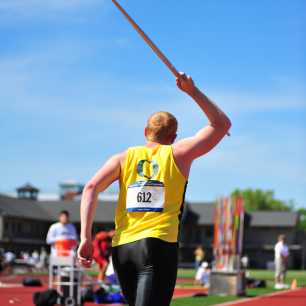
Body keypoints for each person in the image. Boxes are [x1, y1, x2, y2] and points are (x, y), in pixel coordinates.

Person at [77, 73, 231, 306]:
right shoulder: (178, 153)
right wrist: (193, 91)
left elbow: (90, 188)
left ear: (145, 131)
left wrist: (85, 238)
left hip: (123, 249)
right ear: (174, 137)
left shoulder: (122, 158)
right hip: (158, 246)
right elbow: (221, 124)